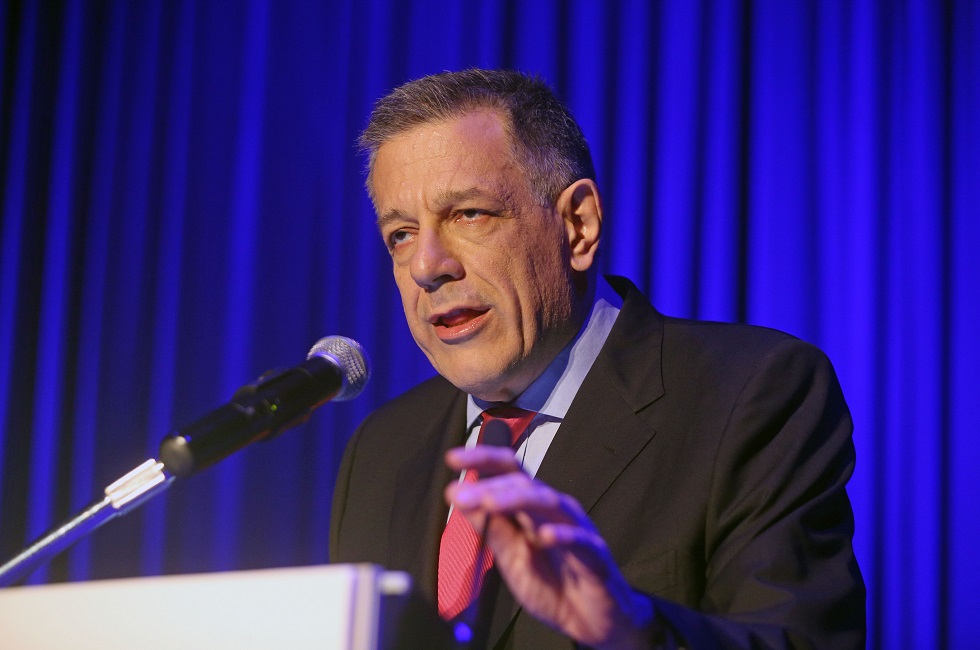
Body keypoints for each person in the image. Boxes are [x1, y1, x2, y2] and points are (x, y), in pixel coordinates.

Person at [329, 69, 864, 649]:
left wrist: (630, 627)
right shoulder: (380, 451)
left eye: (469, 214)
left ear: (578, 225)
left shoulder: (751, 394)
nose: (427, 267)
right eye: (401, 234)